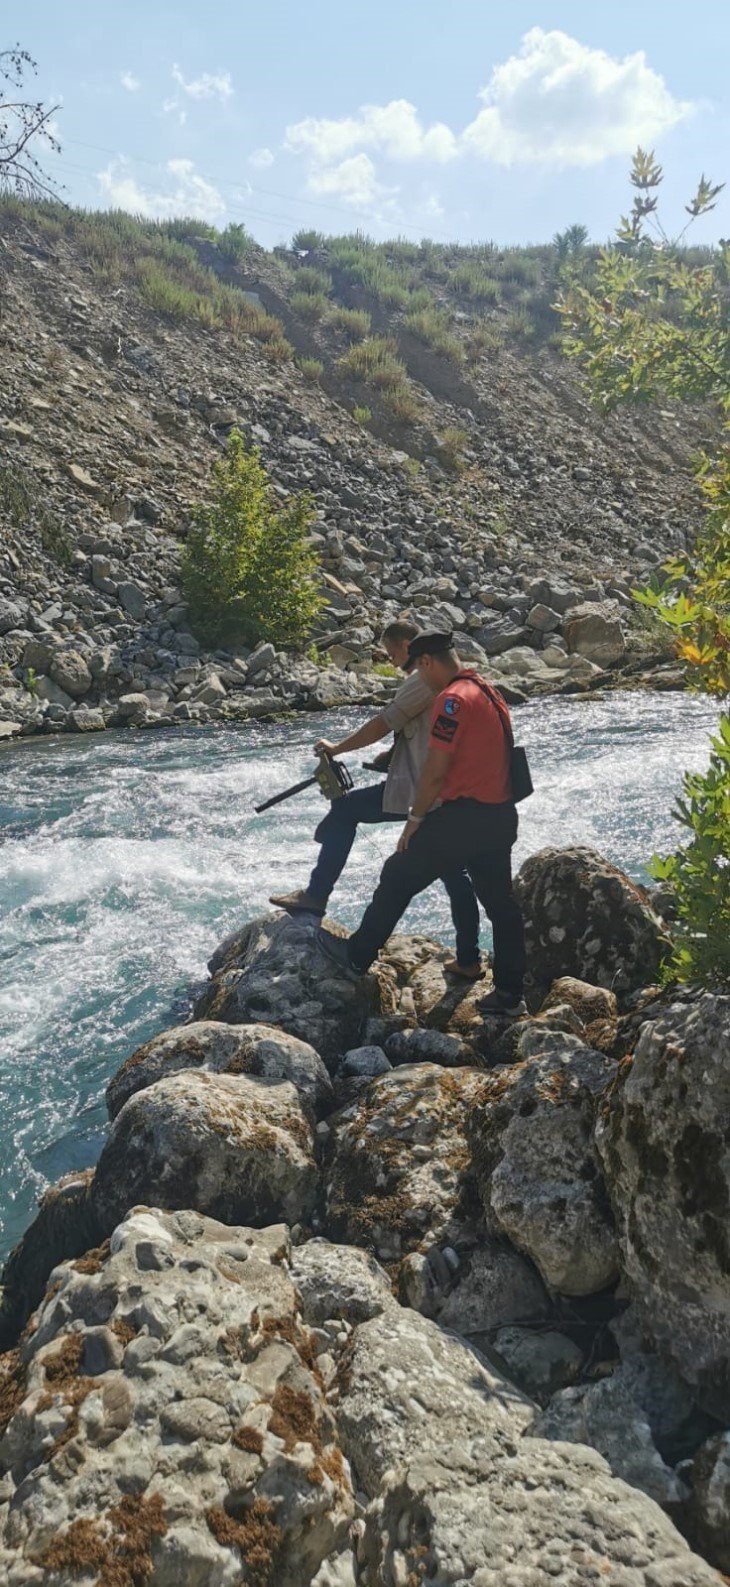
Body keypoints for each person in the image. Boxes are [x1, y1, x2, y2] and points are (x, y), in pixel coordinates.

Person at [317, 629, 527, 1017]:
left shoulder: (450, 701)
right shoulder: (486, 690)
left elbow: (434, 771)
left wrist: (413, 820)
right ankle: (509, 994)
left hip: (464, 818)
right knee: (501, 905)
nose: (418, 677)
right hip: (501, 816)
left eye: (418, 668)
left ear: (428, 662)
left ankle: (356, 956)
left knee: (397, 873)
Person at [270, 618, 483, 979]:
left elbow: (384, 722)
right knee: (455, 873)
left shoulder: (422, 680)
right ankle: (469, 957)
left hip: (423, 791)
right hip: (445, 792)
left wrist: (338, 747)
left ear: (407, 647)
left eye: (391, 652)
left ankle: (318, 898)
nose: (391, 658)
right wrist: (389, 757)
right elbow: (418, 732)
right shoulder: (454, 681)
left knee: (346, 811)